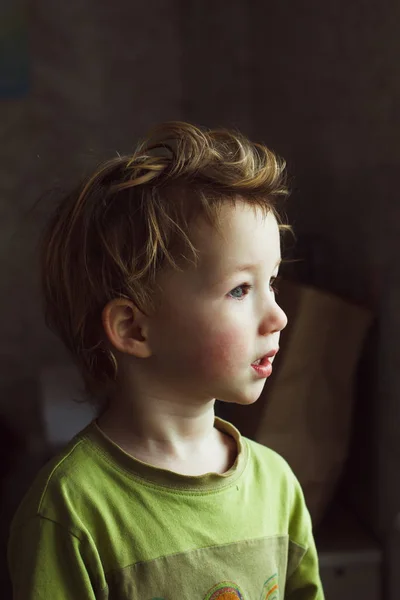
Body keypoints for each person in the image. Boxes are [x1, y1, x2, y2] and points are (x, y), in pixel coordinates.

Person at [8, 122, 324, 599]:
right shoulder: (71, 511)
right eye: (240, 289)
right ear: (134, 329)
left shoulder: (277, 485)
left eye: (272, 282)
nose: (278, 316)